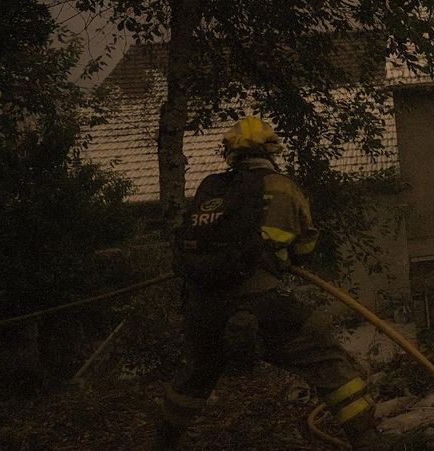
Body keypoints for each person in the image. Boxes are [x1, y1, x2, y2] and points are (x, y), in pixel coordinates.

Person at [155, 116, 382, 449]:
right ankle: (369, 440)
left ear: (229, 153)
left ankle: (163, 442)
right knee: (327, 358)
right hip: (260, 301)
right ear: (272, 149)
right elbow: (305, 247)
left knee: (197, 373)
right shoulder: (281, 187)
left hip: (202, 306)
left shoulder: (213, 189)